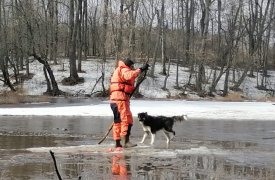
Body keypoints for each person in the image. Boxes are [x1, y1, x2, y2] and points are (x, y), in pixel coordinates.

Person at [110, 58, 149, 149]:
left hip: (115, 100)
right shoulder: (124, 69)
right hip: (120, 100)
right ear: (129, 65)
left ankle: (118, 143)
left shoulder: (119, 70)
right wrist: (141, 69)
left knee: (118, 122)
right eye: (132, 66)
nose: (133, 68)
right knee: (126, 121)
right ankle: (125, 141)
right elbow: (129, 75)